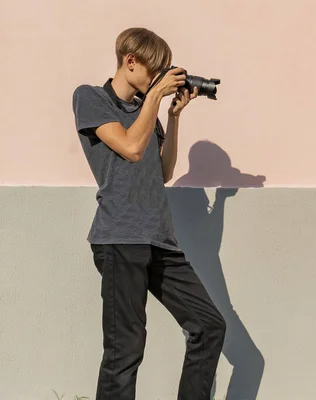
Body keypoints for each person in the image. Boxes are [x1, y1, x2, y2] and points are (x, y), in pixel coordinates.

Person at [72, 27, 226, 400]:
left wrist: (172, 117)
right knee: (125, 348)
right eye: (153, 71)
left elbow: (164, 171)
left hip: (159, 237)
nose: (158, 79)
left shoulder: (149, 112)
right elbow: (130, 147)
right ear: (130, 62)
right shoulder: (90, 98)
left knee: (209, 326)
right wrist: (154, 96)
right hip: (119, 238)